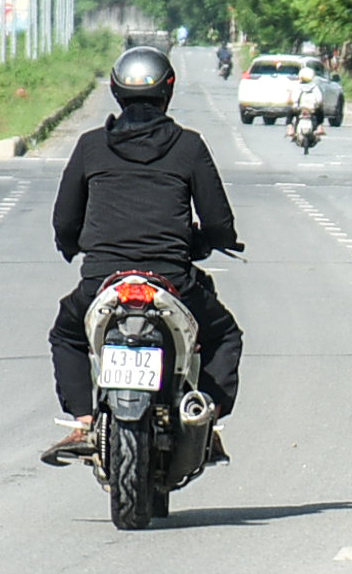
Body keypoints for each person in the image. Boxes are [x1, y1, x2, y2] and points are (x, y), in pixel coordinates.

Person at [41, 46, 244, 467]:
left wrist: (73, 244)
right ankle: (205, 417)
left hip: (102, 281)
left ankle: (83, 421)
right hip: (173, 280)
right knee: (224, 335)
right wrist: (206, 242)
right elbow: (220, 222)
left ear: (115, 91)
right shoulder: (189, 147)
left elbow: (64, 220)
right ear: (168, 89)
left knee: (67, 334)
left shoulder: (91, 146)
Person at [287, 64, 327, 142]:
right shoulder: (315, 87)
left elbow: (293, 98)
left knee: (290, 113)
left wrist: (294, 104)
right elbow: (319, 99)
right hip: (313, 109)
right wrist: (317, 105)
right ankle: (320, 127)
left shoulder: (297, 86)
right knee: (320, 112)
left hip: (299, 109)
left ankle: (290, 129)